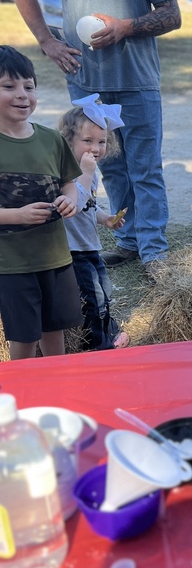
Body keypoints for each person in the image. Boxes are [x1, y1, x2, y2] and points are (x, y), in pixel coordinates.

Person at [12, 0, 181, 276]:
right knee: (110, 165)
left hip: (137, 80)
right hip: (86, 84)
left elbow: (172, 14)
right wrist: (48, 42)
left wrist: (126, 26)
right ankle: (126, 241)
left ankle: (154, 251)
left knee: (145, 167)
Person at [0, 47, 82, 360]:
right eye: (9, 87)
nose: (22, 95)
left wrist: (69, 200)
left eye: (29, 87)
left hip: (55, 258)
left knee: (54, 330)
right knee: (23, 337)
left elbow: (69, 183)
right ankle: (22, 393)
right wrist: (16, 215)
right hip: (12, 265)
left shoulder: (51, 139)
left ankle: (57, 385)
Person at [58, 95, 130, 350]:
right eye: (87, 141)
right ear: (69, 140)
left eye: (101, 141)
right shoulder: (66, 173)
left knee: (104, 290)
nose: (95, 148)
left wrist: (106, 219)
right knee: (92, 298)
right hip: (73, 250)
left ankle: (107, 331)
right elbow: (74, 205)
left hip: (90, 246)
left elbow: (88, 207)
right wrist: (86, 173)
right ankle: (97, 345)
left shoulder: (90, 173)